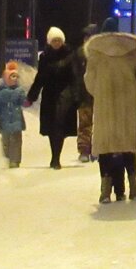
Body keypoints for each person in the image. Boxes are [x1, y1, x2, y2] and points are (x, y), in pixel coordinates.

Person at [84, 18, 136, 203]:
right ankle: (134, 189)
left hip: (105, 105)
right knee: (128, 146)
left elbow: (89, 80)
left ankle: (105, 192)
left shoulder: (95, 52)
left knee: (105, 147)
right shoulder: (131, 51)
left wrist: (100, 92)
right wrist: (132, 89)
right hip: (128, 104)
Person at [24, 27, 78, 169]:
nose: (56, 43)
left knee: (60, 127)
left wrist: (77, 97)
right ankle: (54, 156)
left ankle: (56, 158)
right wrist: (32, 96)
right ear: (49, 42)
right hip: (49, 96)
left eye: (59, 40)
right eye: (54, 40)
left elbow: (75, 77)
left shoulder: (69, 55)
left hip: (65, 96)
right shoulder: (45, 57)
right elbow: (40, 78)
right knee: (52, 128)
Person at [0, 61, 26, 168]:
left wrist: (26, 101)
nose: (15, 79)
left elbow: (23, 102)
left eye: (16, 77)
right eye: (12, 77)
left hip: (16, 121)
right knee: (6, 141)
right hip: (5, 122)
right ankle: (8, 155)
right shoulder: (0, 94)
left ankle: (15, 160)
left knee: (16, 142)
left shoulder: (19, 91)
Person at [74, 24, 98, 162]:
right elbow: (75, 75)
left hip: (98, 92)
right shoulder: (79, 54)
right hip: (84, 93)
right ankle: (84, 149)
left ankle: (96, 149)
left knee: (99, 122)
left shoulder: (101, 54)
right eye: (86, 36)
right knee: (84, 122)